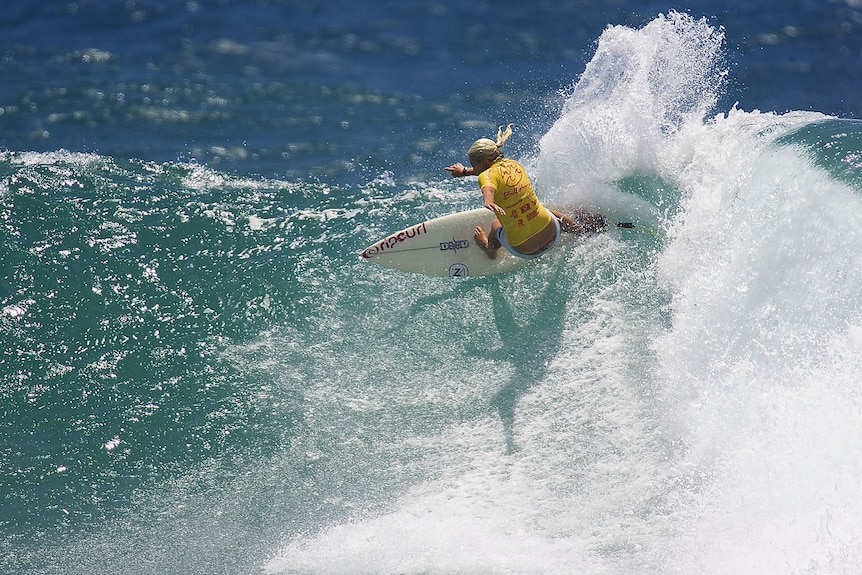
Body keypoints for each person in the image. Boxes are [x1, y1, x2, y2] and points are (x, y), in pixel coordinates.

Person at [445, 124, 605, 259]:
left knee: (496, 225)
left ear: (484, 162)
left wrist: (489, 201)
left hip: (525, 249)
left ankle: (489, 249)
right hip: (552, 234)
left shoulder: (486, 177)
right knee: (548, 212)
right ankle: (581, 230)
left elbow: (488, 184)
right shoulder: (514, 165)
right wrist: (465, 171)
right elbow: (491, 173)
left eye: (473, 164)